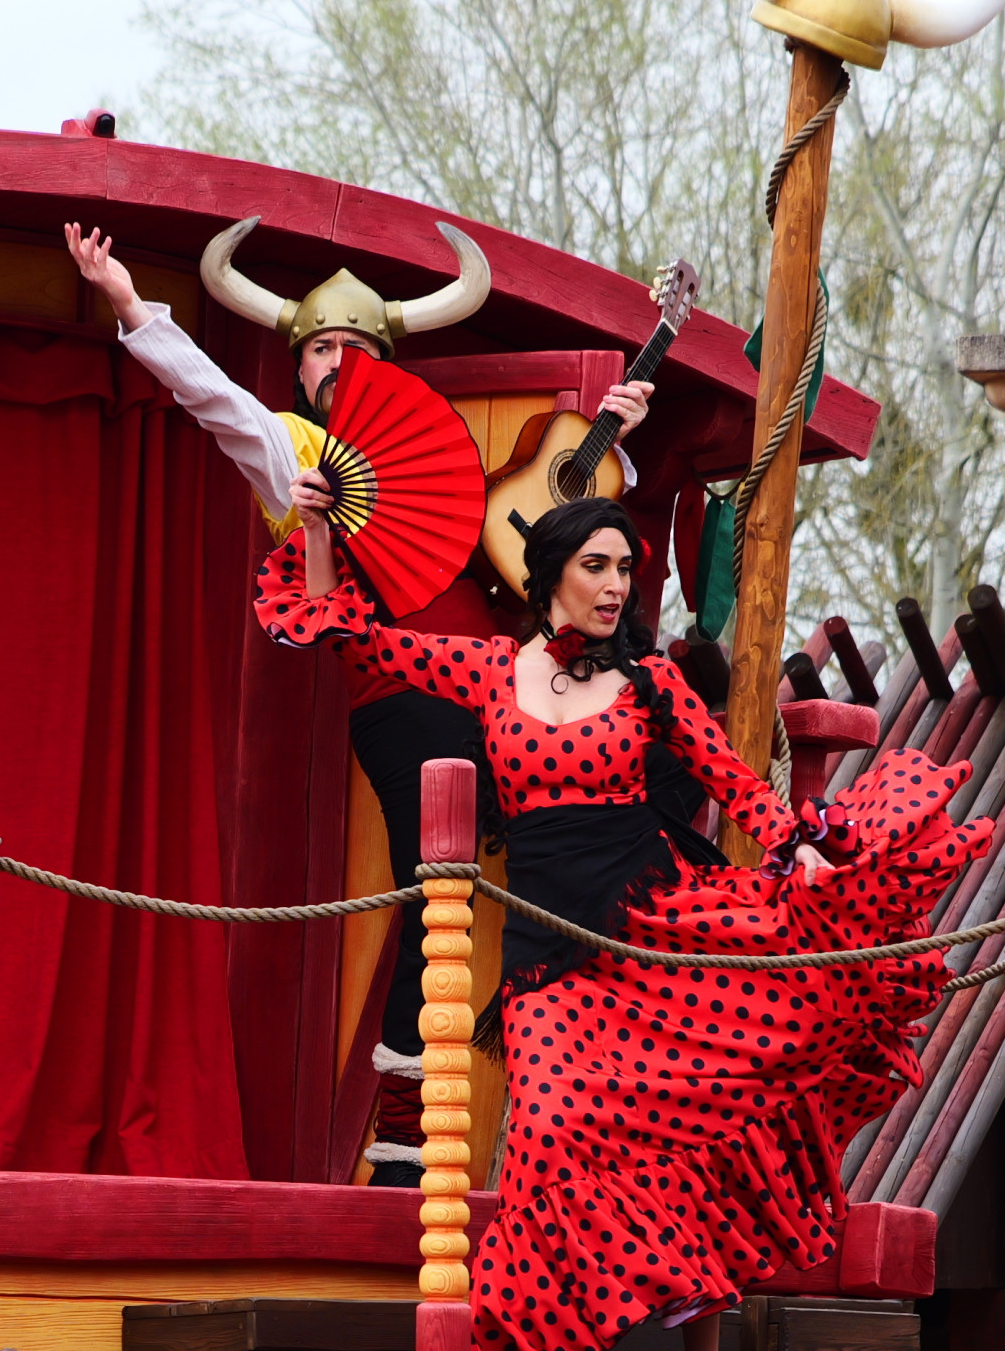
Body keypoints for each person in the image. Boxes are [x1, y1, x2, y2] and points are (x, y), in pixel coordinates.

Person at [255, 495, 985, 1351]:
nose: (612, 587)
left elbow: (739, 788)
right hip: (547, 958)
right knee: (554, 1126)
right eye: (595, 567)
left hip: (662, 935)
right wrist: (321, 533)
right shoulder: (488, 670)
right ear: (551, 573)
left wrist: (804, 849)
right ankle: (518, 1340)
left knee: (698, 1122)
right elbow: (356, 640)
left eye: (624, 571)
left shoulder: (650, 683)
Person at [62, 217, 644, 1183]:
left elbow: (566, 548)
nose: (339, 362)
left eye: (359, 349)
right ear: (299, 369)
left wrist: (624, 427)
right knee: (437, 872)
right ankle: (407, 1137)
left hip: (502, 687)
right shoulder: (294, 449)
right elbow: (213, 402)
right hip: (400, 694)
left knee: (581, 849)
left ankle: (581, 1111)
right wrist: (131, 308)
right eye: (323, 348)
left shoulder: (443, 450)